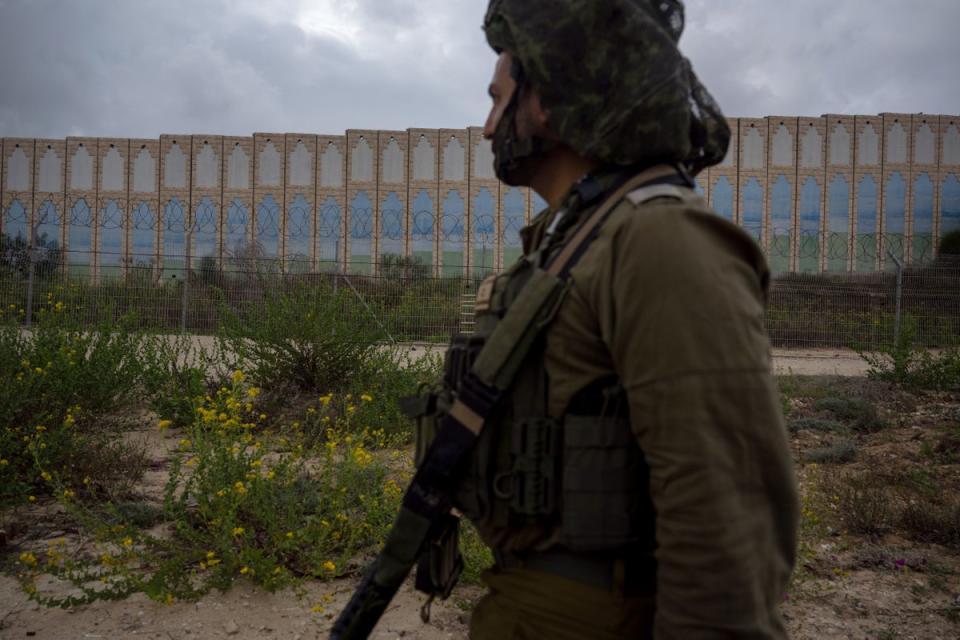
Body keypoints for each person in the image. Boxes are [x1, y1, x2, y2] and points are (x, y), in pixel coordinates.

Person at [458, 1, 800, 638]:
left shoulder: (657, 239)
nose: (487, 128)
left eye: (499, 99)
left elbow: (724, 520)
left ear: (550, 104)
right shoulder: (575, 239)